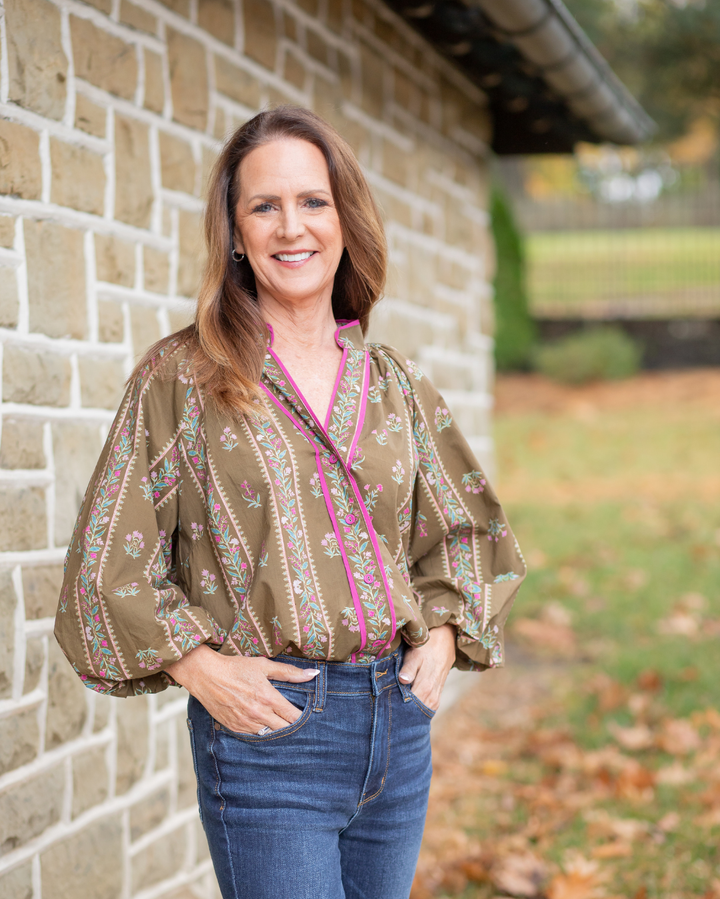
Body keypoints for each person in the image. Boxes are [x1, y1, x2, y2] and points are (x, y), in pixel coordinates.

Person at [55, 106, 526, 899]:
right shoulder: (182, 378)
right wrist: (198, 666)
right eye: (263, 206)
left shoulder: (393, 383)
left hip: (398, 728)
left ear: (345, 219)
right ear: (235, 233)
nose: (291, 227)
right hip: (271, 740)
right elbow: (109, 560)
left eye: (313, 201)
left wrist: (441, 639)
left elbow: (463, 528)